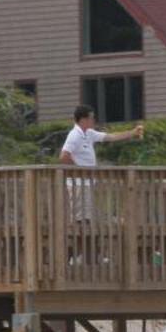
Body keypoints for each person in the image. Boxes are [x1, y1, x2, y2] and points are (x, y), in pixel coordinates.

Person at [58, 106, 142, 257]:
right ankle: (76, 256)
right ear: (83, 119)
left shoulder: (88, 134)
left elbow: (110, 137)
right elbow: (64, 156)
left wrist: (132, 133)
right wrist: (80, 170)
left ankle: (86, 256)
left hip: (88, 184)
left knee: (87, 218)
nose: (94, 120)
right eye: (91, 117)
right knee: (80, 221)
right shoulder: (74, 135)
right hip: (78, 184)